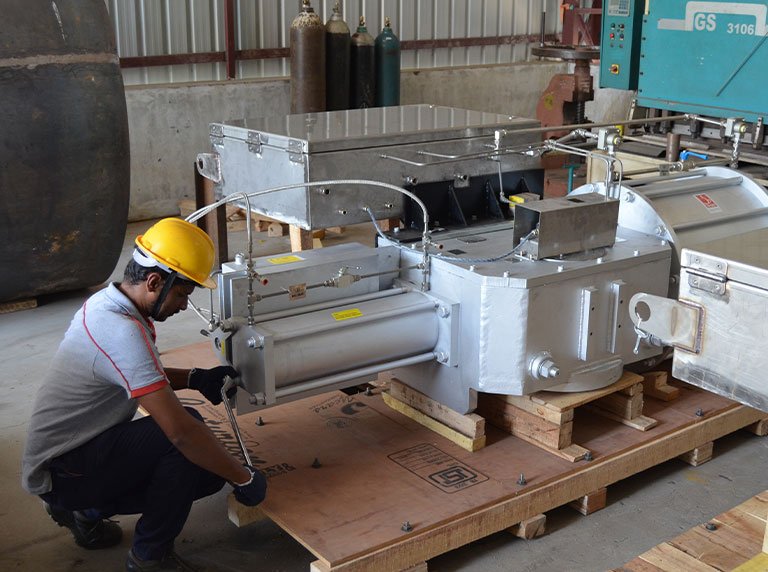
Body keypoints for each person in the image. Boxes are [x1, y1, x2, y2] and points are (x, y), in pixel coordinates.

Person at [21, 218, 266, 572]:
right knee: (188, 443)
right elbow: (181, 433)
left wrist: (195, 378)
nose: (183, 305)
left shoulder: (109, 304)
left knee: (209, 466)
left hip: (70, 453)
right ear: (154, 282)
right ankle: (149, 557)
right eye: (182, 294)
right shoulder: (121, 331)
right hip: (63, 469)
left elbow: (135, 373)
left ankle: (85, 511)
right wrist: (244, 478)